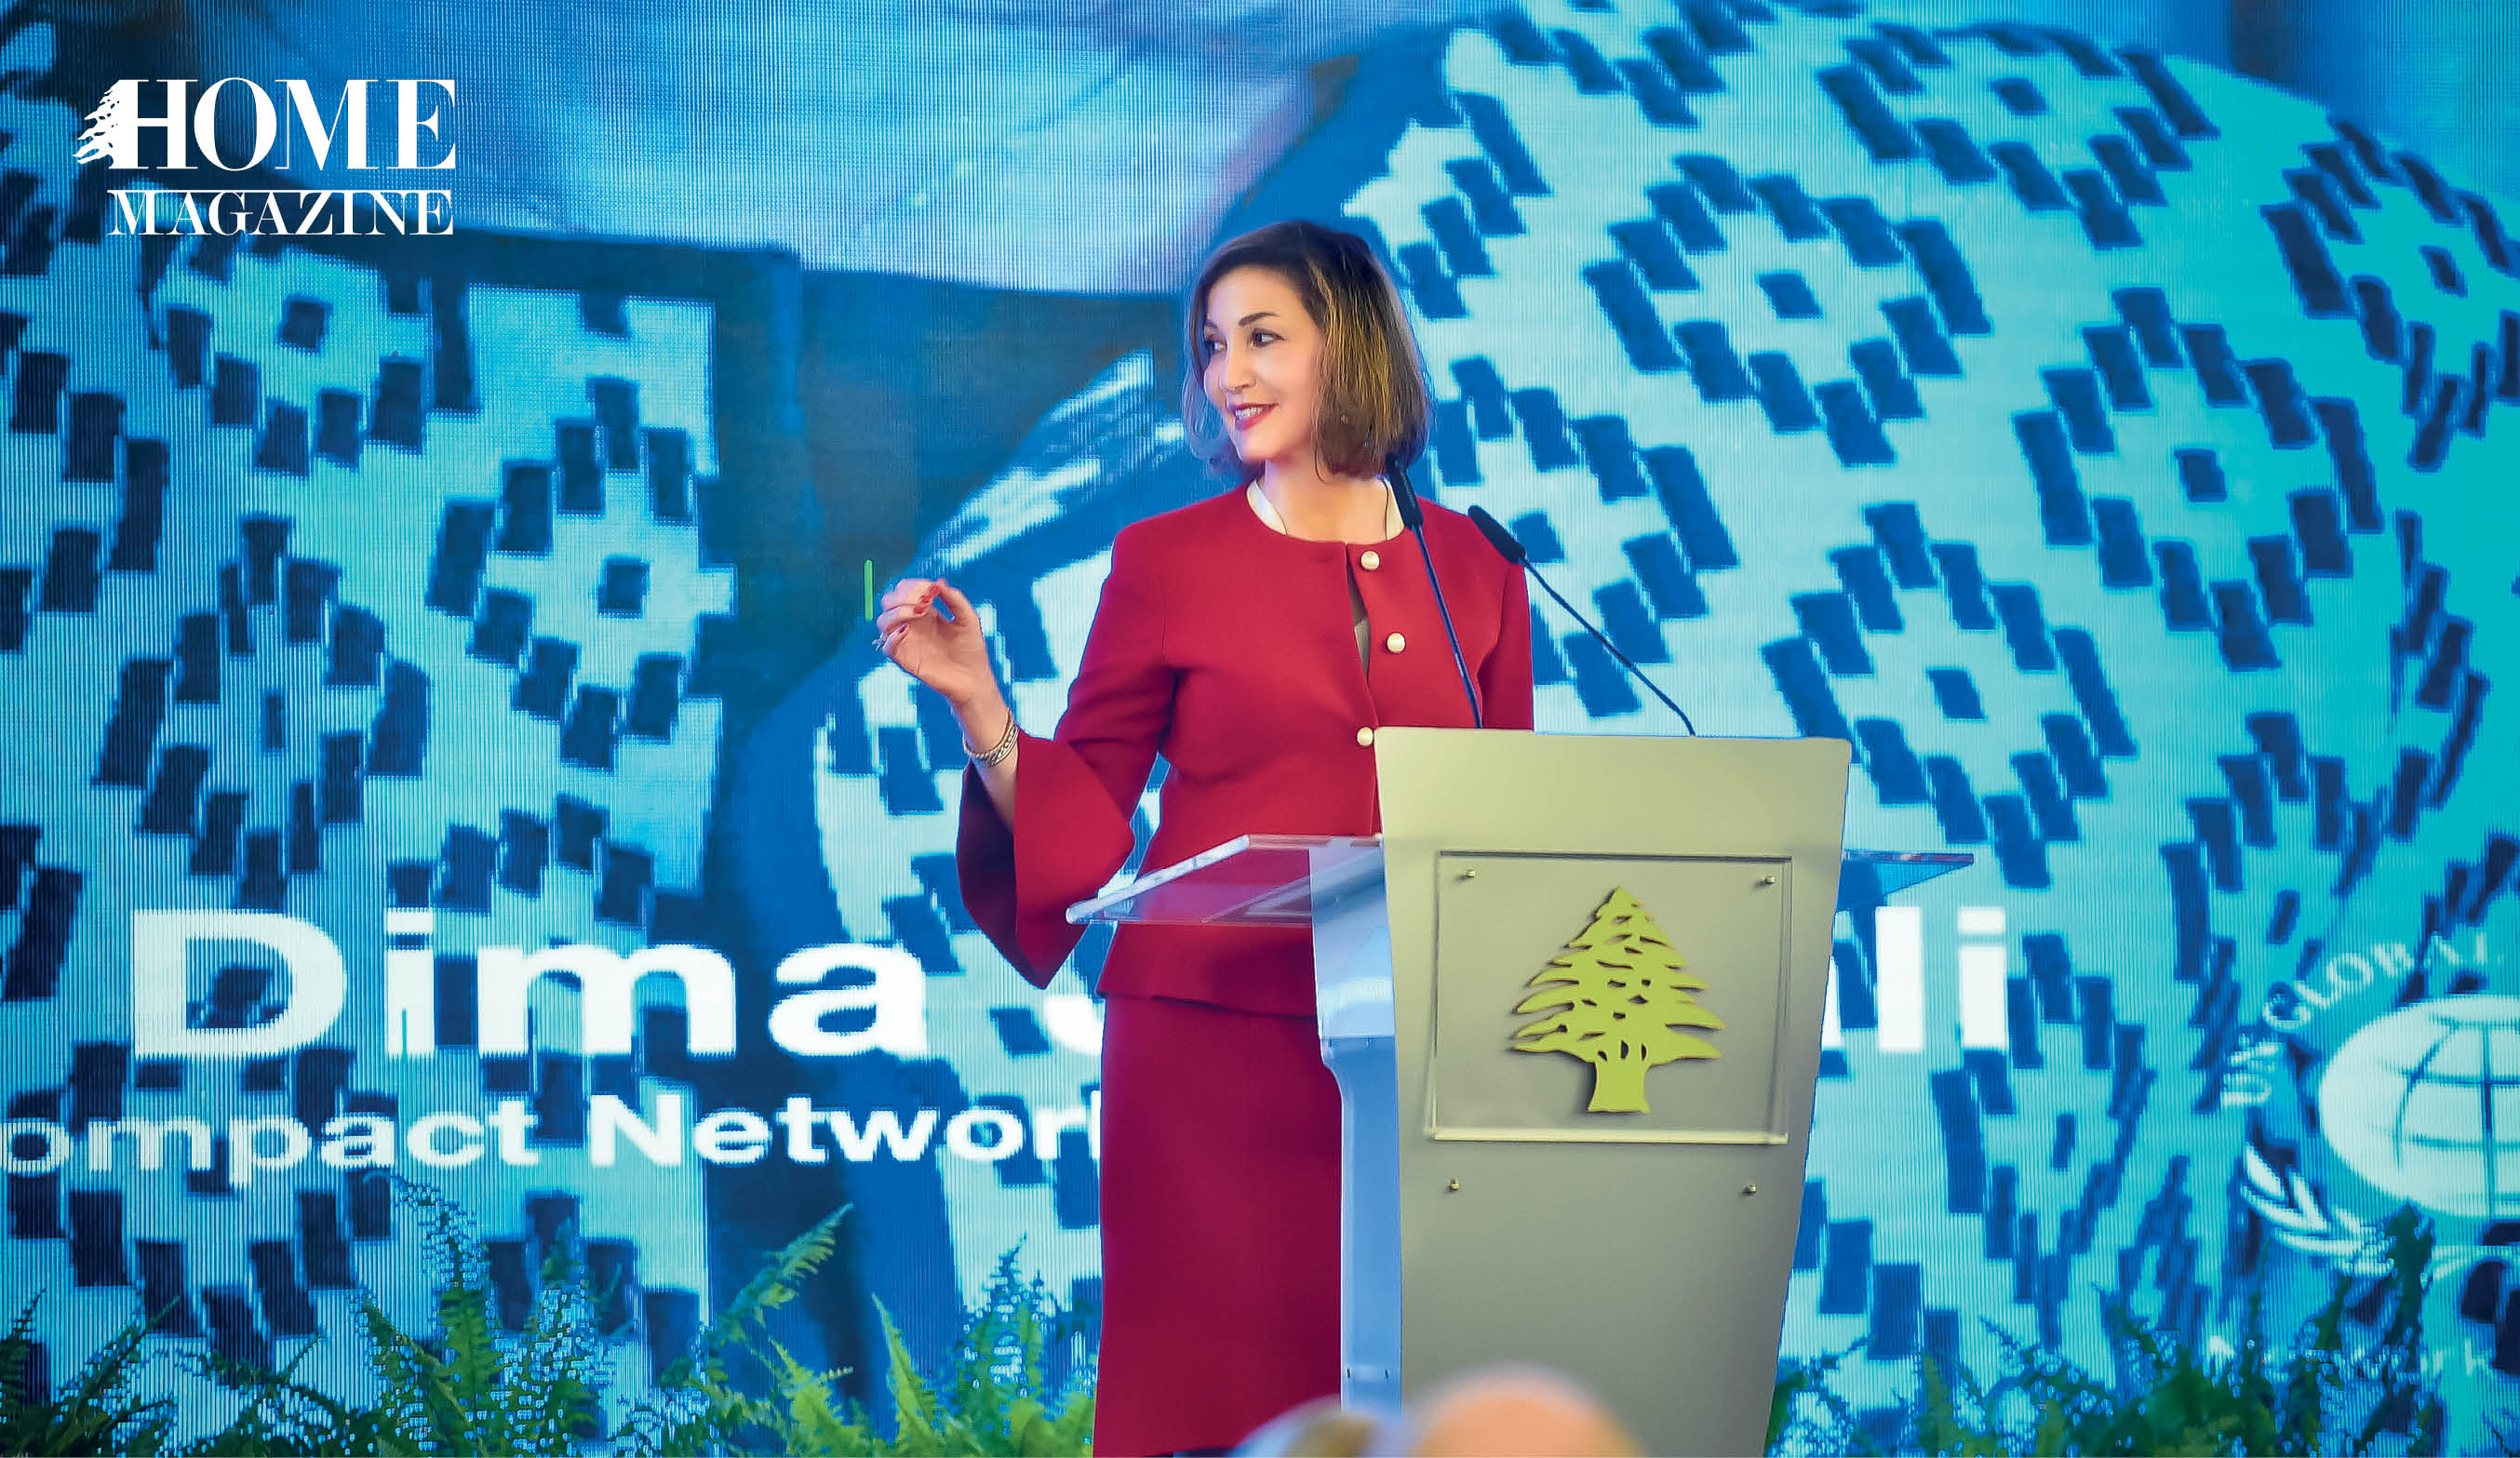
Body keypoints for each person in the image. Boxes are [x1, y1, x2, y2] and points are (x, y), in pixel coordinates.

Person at [876, 219, 1535, 1456]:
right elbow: (1085, 819)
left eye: (1263, 339)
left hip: (1414, 1064)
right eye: (1212, 345)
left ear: (1354, 347)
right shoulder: (1165, 561)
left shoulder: (1481, 568)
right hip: (1210, 1053)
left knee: (1417, 1404)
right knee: (1224, 1408)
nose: (1227, 373)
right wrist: (979, 704)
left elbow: (1507, 835)